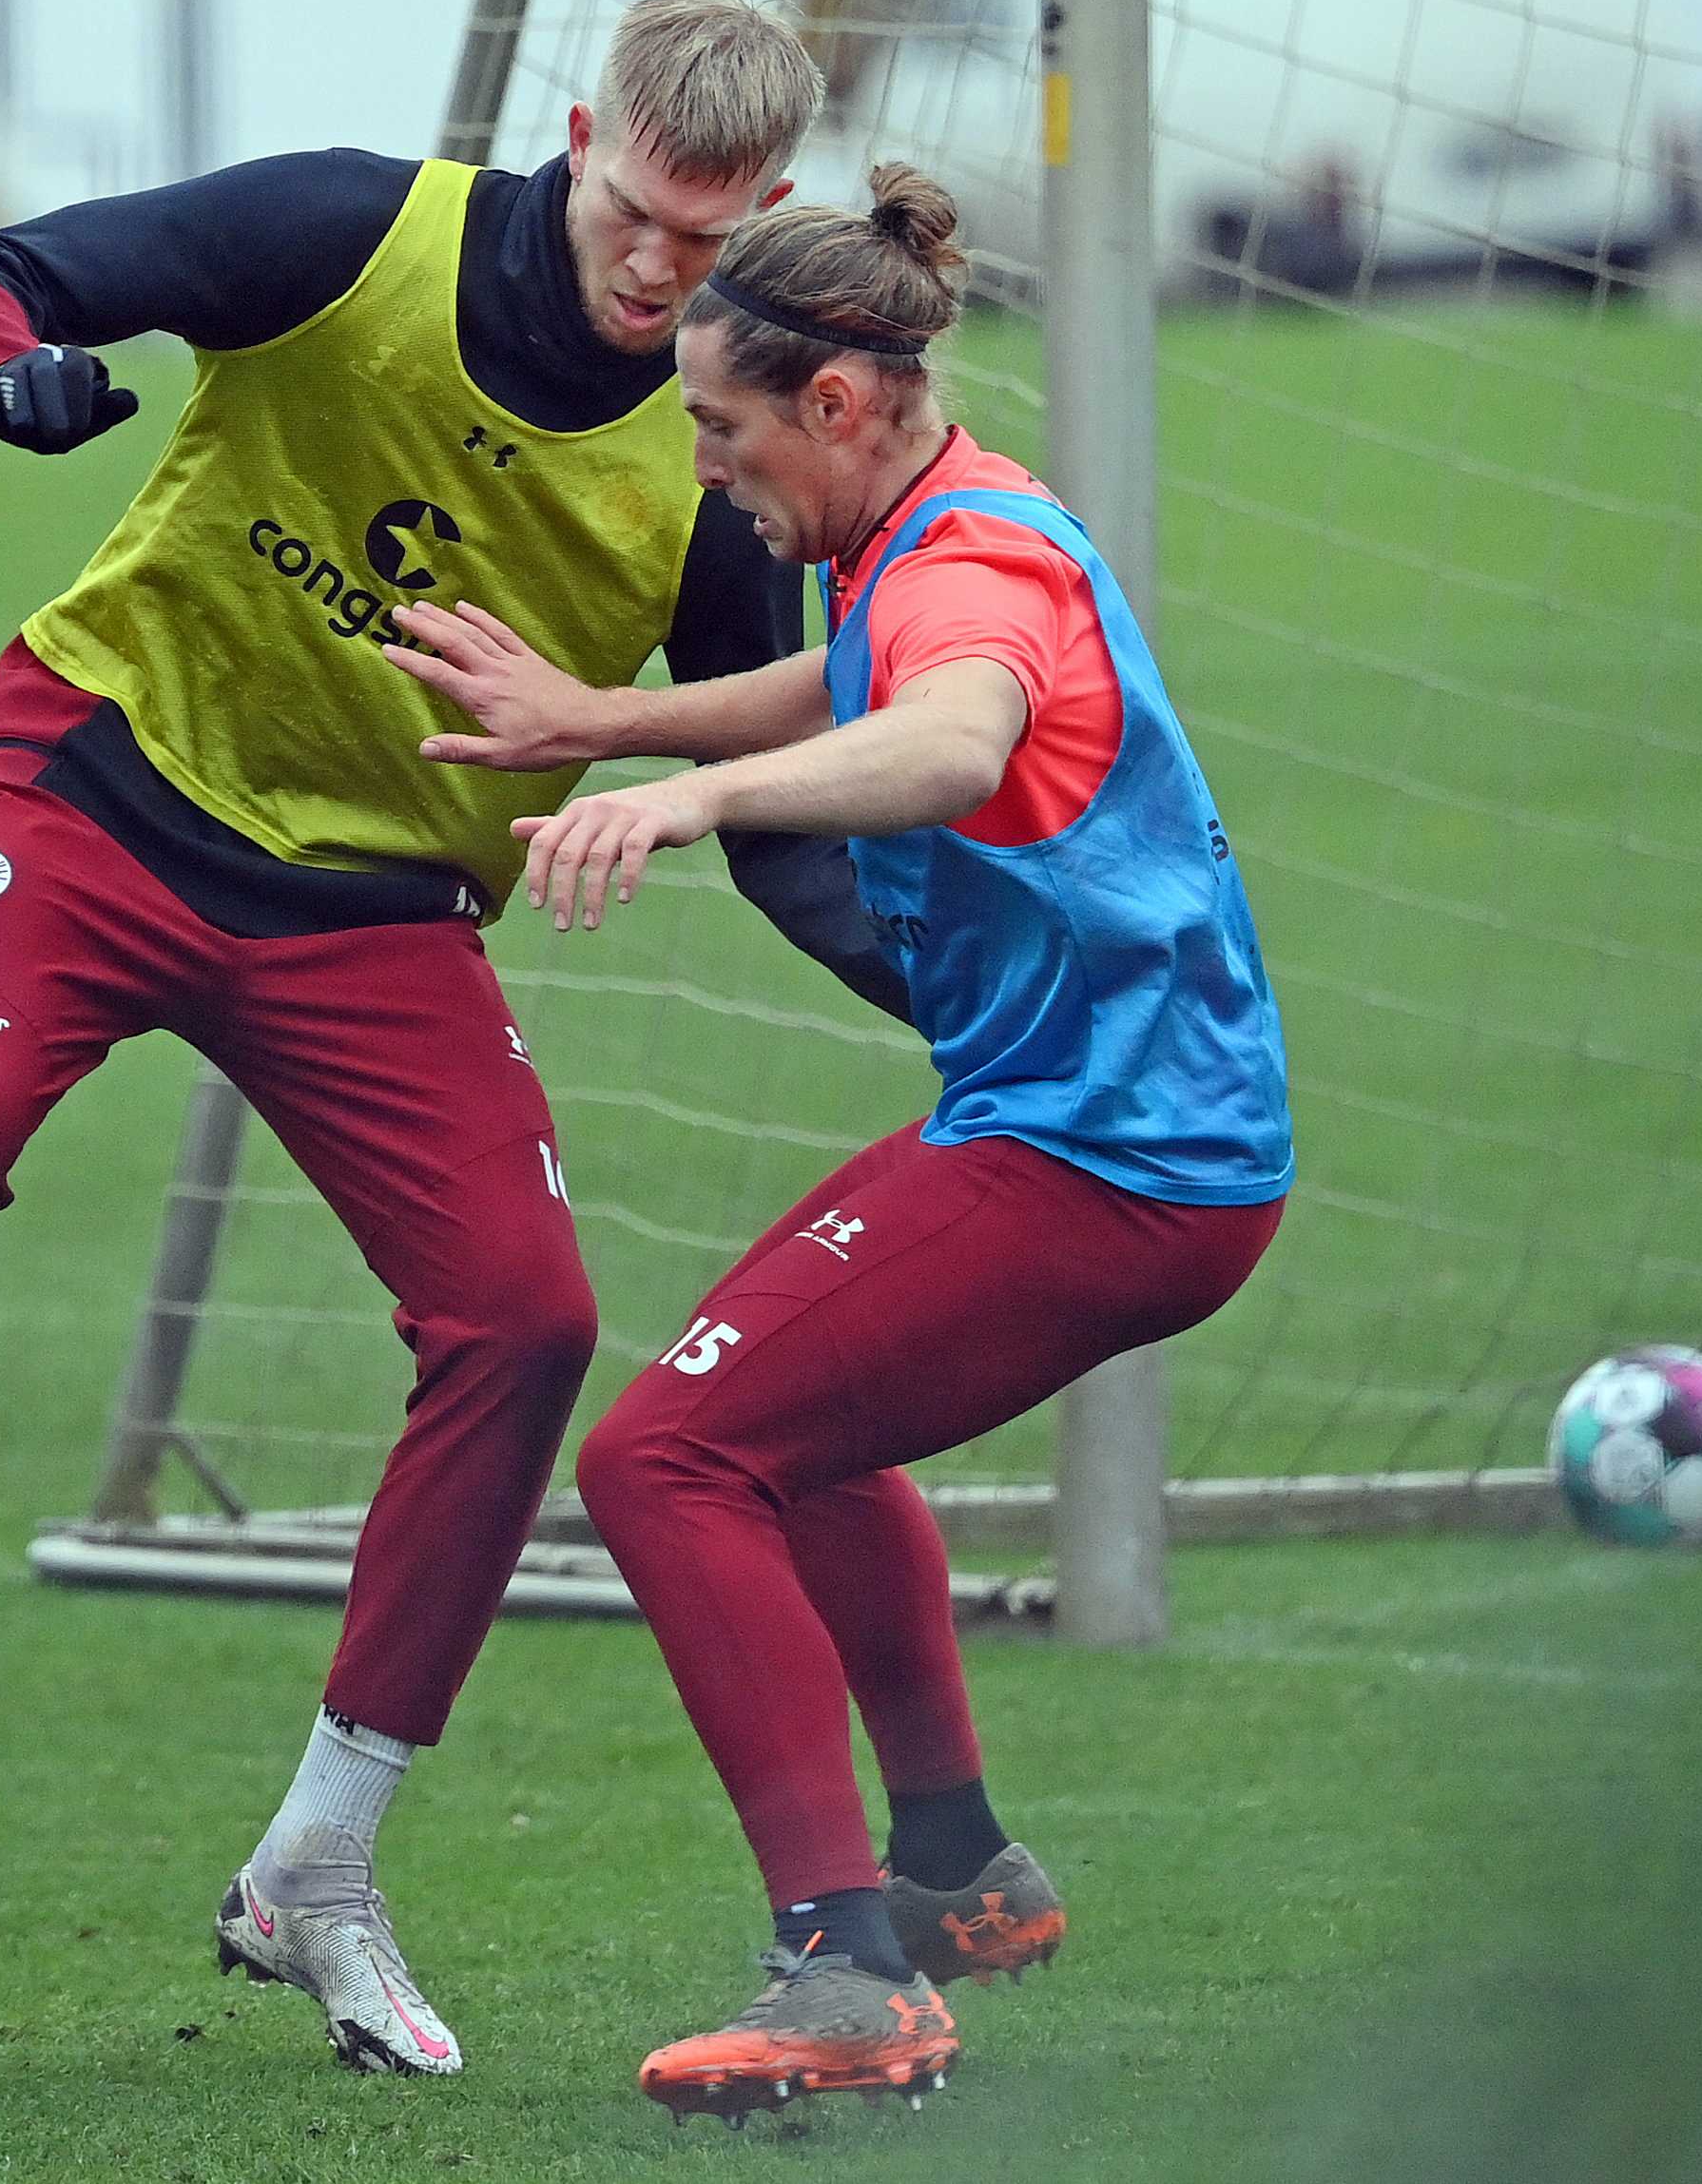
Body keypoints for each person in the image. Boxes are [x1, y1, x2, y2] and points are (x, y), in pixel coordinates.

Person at [0, 0, 906, 2076]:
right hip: (97, 787)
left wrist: (954, 973)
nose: (657, 268)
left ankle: (322, 1862)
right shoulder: (354, 237)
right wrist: (11, 385)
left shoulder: (711, 470)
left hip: (370, 909)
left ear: (766, 212)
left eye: (707, 245)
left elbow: (762, 808)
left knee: (524, 1316)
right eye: (633, 211)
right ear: (576, 131)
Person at [385, 164, 1291, 2119]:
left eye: (720, 428)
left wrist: (695, 805)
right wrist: (604, 722)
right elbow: (857, 671)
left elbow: (947, 734)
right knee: (783, 1429)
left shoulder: (963, 576)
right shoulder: (949, 515)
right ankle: (959, 1871)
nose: (703, 468)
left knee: (668, 1453)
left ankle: (845, 1970)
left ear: (840, 407)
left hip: (1111, 1157)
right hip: (1107, 1127)